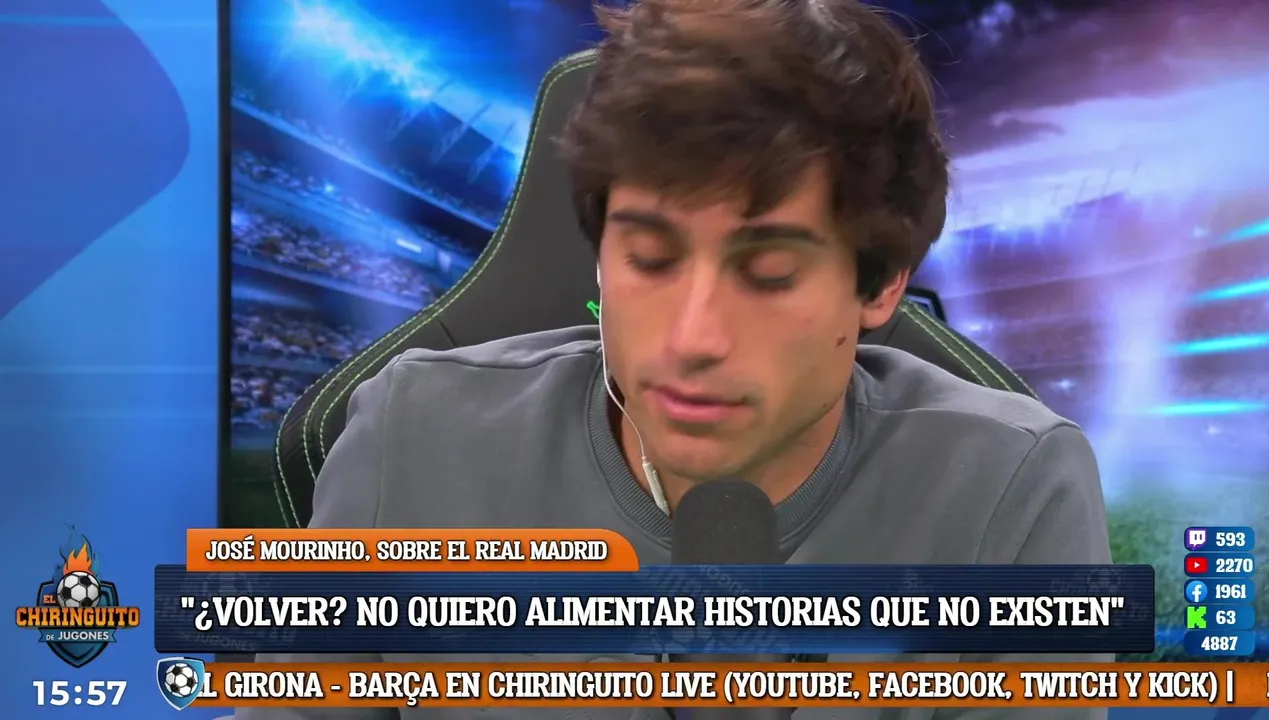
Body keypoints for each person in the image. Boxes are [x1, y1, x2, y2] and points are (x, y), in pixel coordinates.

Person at [236, 0, 1111, 718]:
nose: (692, 337)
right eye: (650, 259)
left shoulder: (1013, 490)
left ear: (879, 285)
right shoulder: (411, 433)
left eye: (769, 274)